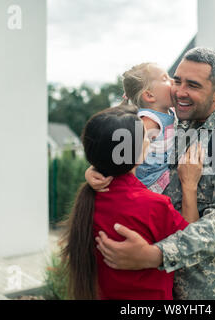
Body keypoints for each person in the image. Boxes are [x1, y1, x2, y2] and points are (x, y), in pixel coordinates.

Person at [90, 47, 215, 299]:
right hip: (144, 278)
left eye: (192, 85)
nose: (179, 91)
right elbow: (120, 144)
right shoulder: (174, 118)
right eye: (176, 80)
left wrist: (154, 255)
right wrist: (97, 170)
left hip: (194, 283)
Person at [60, 104, 204, 300]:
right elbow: (192, 243)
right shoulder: (155, 206)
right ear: (135, 154)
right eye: (147, 137)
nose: (151, 140)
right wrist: (189, 185)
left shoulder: (89, 199)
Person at [86, 62, 215, 194]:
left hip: (166, 178)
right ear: (149, 95)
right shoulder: (149, 120)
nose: (173, 81)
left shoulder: (170, 111)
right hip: (151, 185)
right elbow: (121, 152)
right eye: (165, 79)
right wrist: (95, 170)